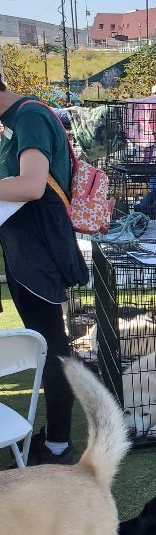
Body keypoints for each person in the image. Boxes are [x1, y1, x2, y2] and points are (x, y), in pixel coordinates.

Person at [0, 68, 90, 464]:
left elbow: (31, 186)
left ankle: (57, 443)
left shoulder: (30, 117)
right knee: (51, 343)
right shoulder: (17, 121)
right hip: (26, 253)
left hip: (37, 254)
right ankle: (54, 438)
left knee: (52, 346)